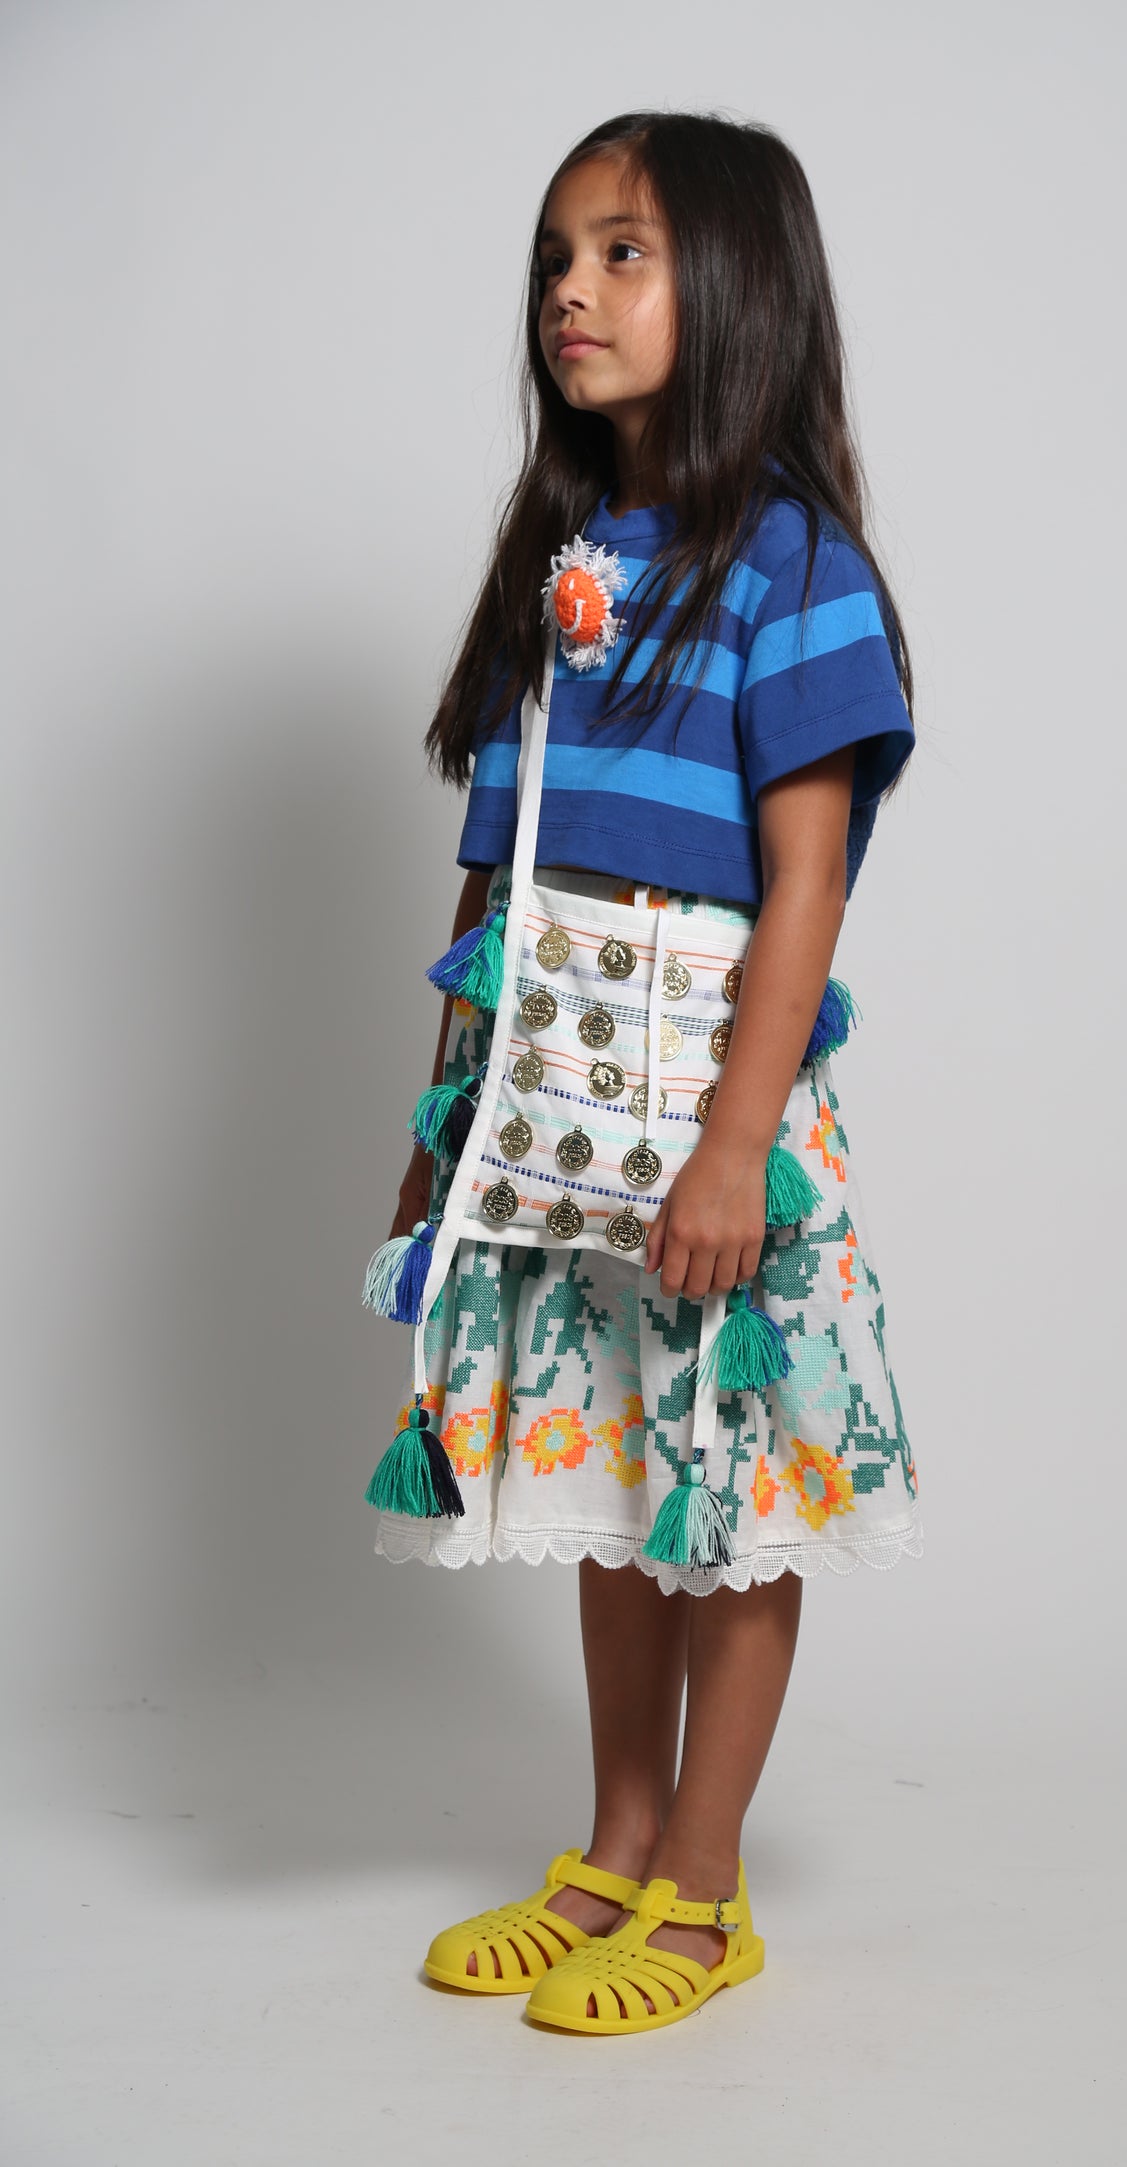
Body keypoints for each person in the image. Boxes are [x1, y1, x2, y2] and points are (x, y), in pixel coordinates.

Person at [362, 108, 920, 2035]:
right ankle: (608, 1852)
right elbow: (496, 879)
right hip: (545, 1101)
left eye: (621, 254)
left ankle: (703, 1885)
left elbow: (806, 877)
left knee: (724, 1485)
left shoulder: (793, 562)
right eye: (554, 259)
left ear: (740, 288)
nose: (569, 294)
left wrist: (738, 1144)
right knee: (604, 1475)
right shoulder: (558, 562)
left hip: (706, 1108)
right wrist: (442, 1123)